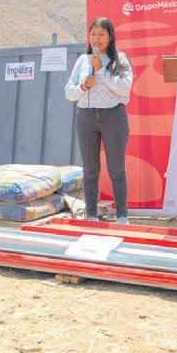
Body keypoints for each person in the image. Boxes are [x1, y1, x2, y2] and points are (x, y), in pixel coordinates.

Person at [64, 17, 133, 224]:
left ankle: (122, 216)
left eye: (101, 34)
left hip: (114, 117)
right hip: (86, 118)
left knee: (116, 170)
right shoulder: (82, 61)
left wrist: (101, 70)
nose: (96, 38)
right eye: (93, 34)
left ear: (110, 36)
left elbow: (124, 88)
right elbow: (69, 92)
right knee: (90, 170)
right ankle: (91, 215)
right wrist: (83, 86)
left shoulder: (120, 59)